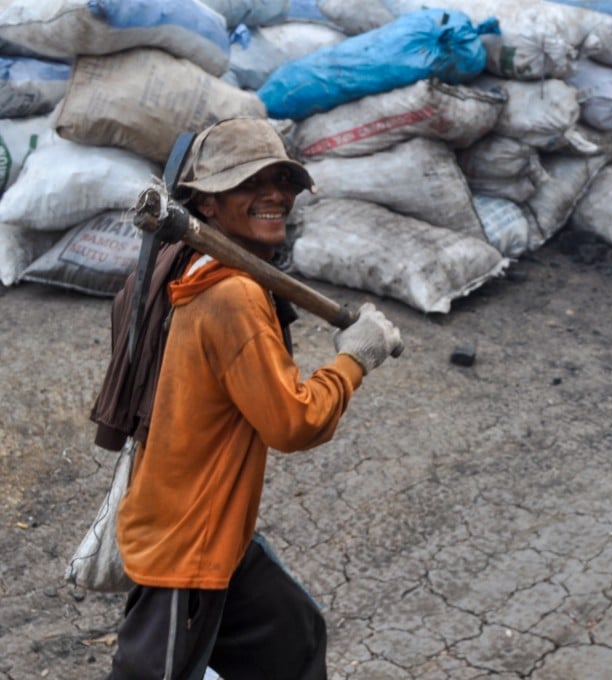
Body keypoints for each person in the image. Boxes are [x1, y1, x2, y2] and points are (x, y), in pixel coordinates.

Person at [103, 117, 402, 679]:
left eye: (284, 181)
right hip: (185, 544)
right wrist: (355, 357)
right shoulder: (231, 294)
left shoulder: (191, 267)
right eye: (250, 183)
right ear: (207, 205)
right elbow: (294, 423)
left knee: (295, 640)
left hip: (215, 528)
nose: (276, 196)